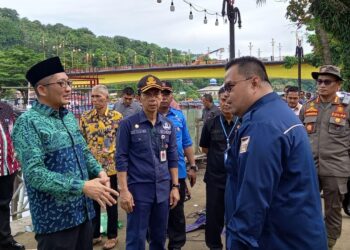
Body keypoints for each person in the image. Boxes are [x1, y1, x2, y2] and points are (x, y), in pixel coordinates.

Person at [12, 57, 118, 250]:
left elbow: (83, 151)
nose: (68, 88)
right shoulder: (28, 122)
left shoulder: (68, 117)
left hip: (83, 213)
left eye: (68, 83)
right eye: (61, 83)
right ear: (42, 89)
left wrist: (99, 171)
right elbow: (35, 174)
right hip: (55, 223)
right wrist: (82, 186)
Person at [224, 56, 327, 250]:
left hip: (280, 239)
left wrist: (238, 242)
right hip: (294, 235)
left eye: (230, 86)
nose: (226, 94)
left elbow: (253, 198)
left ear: (254, 82)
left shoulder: (263, 125)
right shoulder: (275, 114)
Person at [116, 74, 180, 250]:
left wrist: (175, 187)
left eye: (156, 94)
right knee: (136, 239)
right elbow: (121, 158)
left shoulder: (168, 125)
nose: (153, 99)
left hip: (162, 189)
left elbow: (173, 156)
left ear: (161, 97)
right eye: (148, 95)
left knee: (159, 238)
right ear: (139, 98)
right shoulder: (128, 125)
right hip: (138, 190)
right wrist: (124, 191)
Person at [299, 65, 350, 249]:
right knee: (304, 206)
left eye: (327, 82)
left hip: (336, 168)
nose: (321, 85)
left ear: (337, 85)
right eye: (319, 81)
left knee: (333, 209)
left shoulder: (346, 108)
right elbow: (299, 138)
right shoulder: (307, 107)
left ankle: (328, 243)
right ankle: (309, 240)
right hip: (309, 167)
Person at [80, 85, 123, 249]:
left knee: (111, 201)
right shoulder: (85, 117)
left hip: (110, 167)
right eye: (93, 97)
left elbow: (122, 142)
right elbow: (82, 141)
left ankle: (112, 236)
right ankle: (95, 234)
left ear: (107, 99)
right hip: (92, 168)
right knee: (93, 202)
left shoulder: (117, 117)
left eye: (99, 97)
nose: (95, 100)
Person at [158, 81, 197, 250]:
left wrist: (193, 166)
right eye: (161, 93)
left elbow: (187, 143)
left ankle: (176, 245)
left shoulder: (179, 116)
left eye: (167, 93)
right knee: (157, 211)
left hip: (178, 172)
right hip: (156, 174)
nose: (164, 97)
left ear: (171, 95)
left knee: (177, 212)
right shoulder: (146, 117)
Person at [199, 87, 239, 250]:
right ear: (219, 101)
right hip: (215, 178)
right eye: (223, 100)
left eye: (230, 99)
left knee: (236, 214)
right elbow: (205, 148)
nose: (227, 103)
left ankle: (234, 245)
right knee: (214, 216)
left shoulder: (243, 121)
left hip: (237, 178)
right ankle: (214, 246)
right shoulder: (211, 122)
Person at [0, 101, 25, 250]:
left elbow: (15, 132)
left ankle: (5, 241)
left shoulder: (7, 108)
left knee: (4, 205)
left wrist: (17, 155)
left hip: (7, 167)